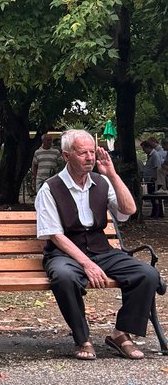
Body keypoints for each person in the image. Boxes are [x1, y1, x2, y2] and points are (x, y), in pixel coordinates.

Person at [35, 129, 160, 361]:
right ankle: (82, 338)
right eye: (83, 153)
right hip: (64, 253)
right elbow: (54, 235)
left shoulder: (102, 183)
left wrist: (112, 174)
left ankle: (121, 335)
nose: (90, 157)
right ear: (66, 156)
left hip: (101, 250)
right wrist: (86, 264)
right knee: (63, 277)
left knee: (147, 274)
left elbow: (129, 211)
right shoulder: (50, 188)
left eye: (92, 151)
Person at [140, 138, 166, 218]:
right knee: (153, 198)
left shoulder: (155, 155)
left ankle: (157, 213)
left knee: (155, 197)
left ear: (148, 147)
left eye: (144, 149)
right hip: (150, 179)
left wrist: (154, 177)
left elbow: (157, 167)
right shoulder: (150, 155)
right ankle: (156, 213)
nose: (144, 151)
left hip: (153, 180)